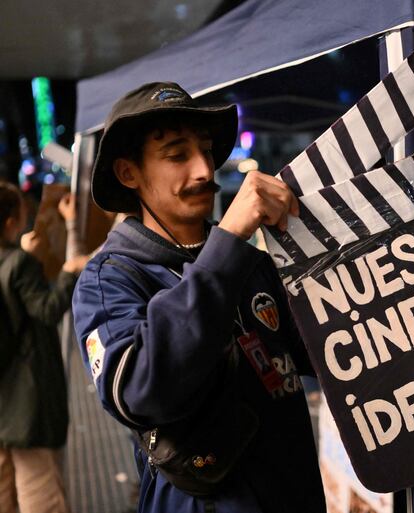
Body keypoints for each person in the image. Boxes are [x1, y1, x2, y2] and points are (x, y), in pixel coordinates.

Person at [71, 82, 326, 513]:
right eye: (177, 155)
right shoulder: (109, 278)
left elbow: (317, 352)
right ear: (128, 173)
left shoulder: (250, 260)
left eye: (207, 151)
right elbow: (137, 390)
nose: (205, 170)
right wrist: (228, 241)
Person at [0, 182, 87, 513]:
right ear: (11, 221)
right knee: (40, 492)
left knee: (4, 493)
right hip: (26, 402)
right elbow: (48, 309)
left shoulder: (16, 260)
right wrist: (68, 271)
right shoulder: (20, 264)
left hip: (3, 400)